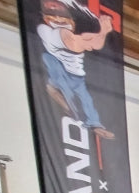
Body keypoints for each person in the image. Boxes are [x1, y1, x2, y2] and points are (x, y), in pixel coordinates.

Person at [37, 0, 115, 139]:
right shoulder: (46, 31)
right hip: (62, 72)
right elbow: (75, 43)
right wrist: (103, 31)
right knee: (49, 59)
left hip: (78, 77)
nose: (59, 19)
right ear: (46, 19)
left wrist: (103, 32)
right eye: (53, 16)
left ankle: (94, 124)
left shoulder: (75, 33)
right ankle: (58, 91)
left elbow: (94, 44)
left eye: (62, 17)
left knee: (87, 100)